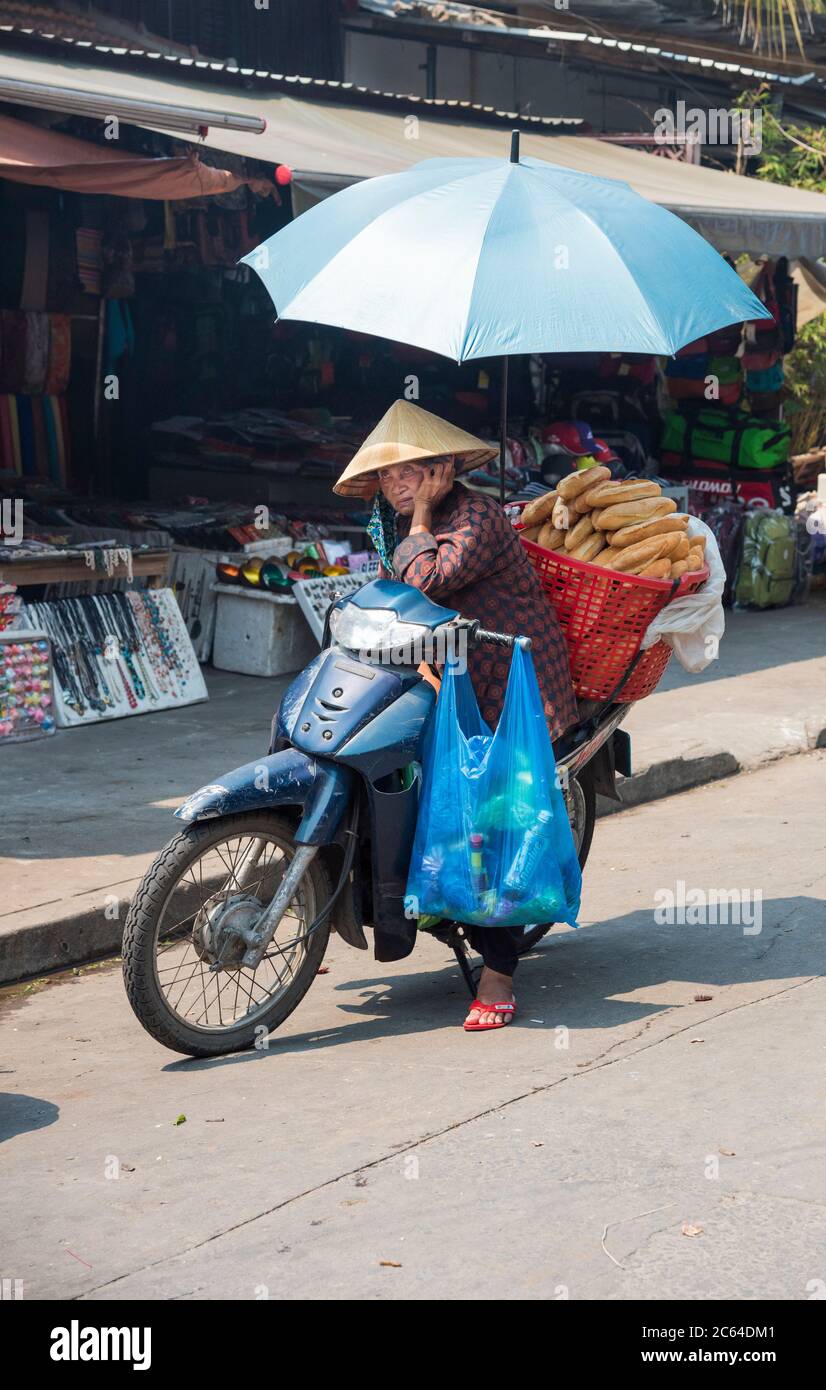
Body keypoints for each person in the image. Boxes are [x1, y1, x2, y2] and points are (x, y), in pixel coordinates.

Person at [334, 400, 578, 1031]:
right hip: (451, 680)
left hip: (512, 686)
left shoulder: (476, 514)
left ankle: (499, 974)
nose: (395, 486)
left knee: (486, 821)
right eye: (387, 478)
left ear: (441, 469)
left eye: (407, 473)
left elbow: (430, 580)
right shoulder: (394, 524)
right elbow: (393, 592)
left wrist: (416, 516)